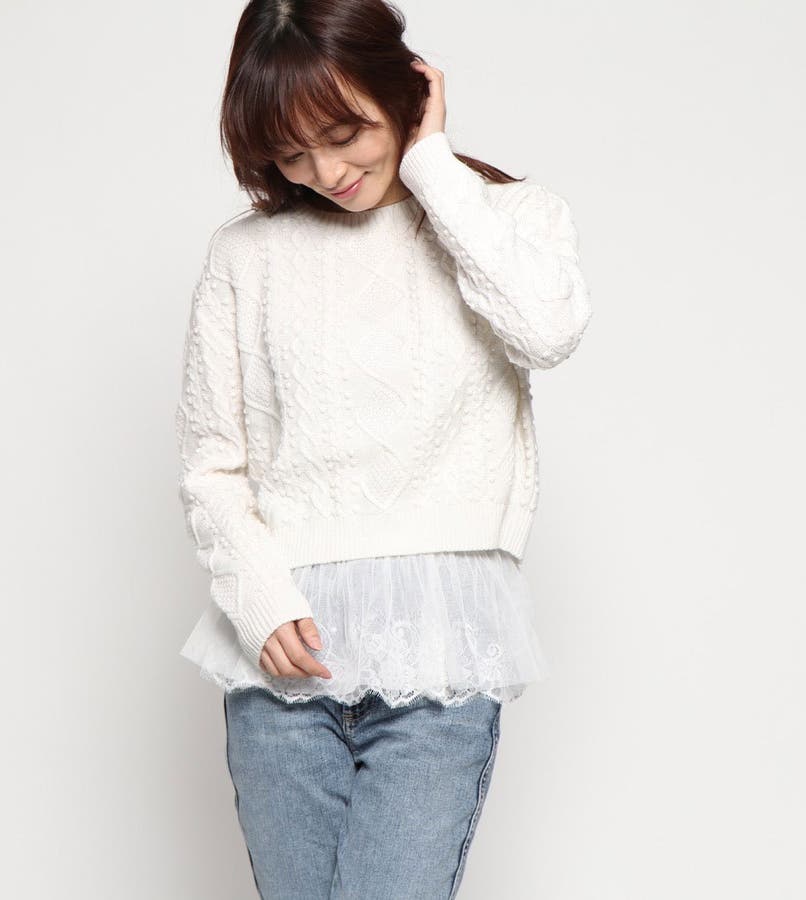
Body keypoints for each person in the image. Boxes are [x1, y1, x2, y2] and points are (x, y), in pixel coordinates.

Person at [174, 1, 592, 897]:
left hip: (439, 653)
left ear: (406, 89)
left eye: (344, 134)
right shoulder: (246, 256)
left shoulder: (507, 217)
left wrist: (433, 166)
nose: (326, 173)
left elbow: (546, 331)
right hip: (281, 661)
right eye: (291, 154)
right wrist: (258, 599)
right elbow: (212, 465)